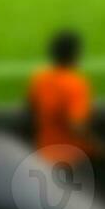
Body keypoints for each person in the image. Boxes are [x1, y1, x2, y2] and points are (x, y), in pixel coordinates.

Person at [27, 31, 96, 160]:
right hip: (72, 158)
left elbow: (31, 110)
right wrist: (96, 146)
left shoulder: (39, 79)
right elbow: (76, 125)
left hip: (44, 154)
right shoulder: (75, 83)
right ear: (75, 54)